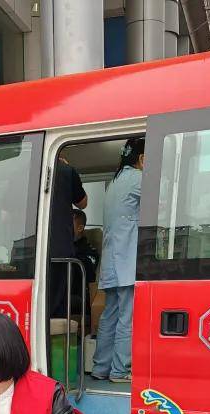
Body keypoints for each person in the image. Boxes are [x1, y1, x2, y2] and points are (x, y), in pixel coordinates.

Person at [92, 137, 144, 383]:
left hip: (112, 261)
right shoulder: (137, 179)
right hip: (126, 260)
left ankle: (101, 367)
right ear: (142, 159)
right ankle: (120, 370)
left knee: (109, 314)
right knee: (127, 317)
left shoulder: (113, 182)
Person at [48, 156, 88, 318]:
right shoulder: (65, 171)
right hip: (60, 250)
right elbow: (83, 203)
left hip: (28, 248)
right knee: (58, 307)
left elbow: (5, 216)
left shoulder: (21, 171)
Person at [72, 208, 100, 329]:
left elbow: (89, 274)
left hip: (81, 297)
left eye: (68, 225)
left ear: (80, 228)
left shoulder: (89, 252)